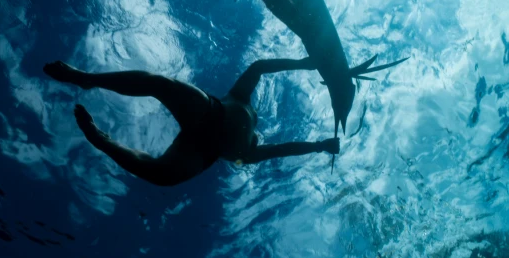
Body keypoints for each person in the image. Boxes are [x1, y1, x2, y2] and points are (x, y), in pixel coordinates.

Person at [43, 59, 339, 187]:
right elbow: (260, 67)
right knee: (160, 84)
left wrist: (319, 146)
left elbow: (284, 149)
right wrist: (302, 63)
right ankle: (87, 78)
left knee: (163, 176)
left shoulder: (248, 155)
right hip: (211, 111)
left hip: (201, 151)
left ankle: (100, 140)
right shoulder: (242, 100)